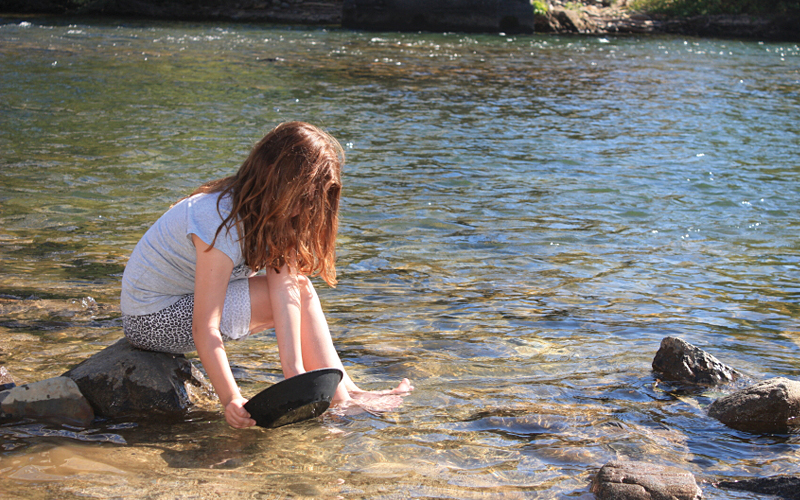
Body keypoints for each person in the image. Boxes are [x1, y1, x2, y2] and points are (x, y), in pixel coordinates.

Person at [120, 121, 413, 429]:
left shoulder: (272, 214)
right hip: (151, 320)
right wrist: (230, 398)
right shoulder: (219, 223)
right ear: (279, 182)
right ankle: (342, 399)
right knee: (298, 290)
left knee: (300, 286)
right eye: (303, 199)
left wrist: (295, 371)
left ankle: (347, 391)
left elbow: (286, 290)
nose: (305, 211)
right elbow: (205, 326)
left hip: (177, 308)